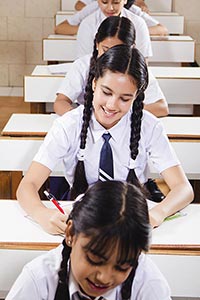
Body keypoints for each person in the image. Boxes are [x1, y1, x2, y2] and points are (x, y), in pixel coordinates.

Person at [16, 45, 193, 235]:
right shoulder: (68, 125)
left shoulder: (149, 127)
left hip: (131, 219)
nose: (111, 105)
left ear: (136, 97)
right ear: (93, 83)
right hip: (82, 216)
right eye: (106, 92)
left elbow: (183, 188)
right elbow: (28, 185)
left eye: (124, 98)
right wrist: (41, 213)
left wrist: (157, 213)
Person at [6, 181, 172, 300]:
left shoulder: (147, 281)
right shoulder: (38, 280)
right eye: (95, 260)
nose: (104, 277)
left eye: (122, 267)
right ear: (70, 233)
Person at [54, 16, 168, 117]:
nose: (110, 56)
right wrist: (83, 118)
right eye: (106, 49)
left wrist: (121, 111)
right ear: (97, 44)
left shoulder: (136, 67)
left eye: (118, 50)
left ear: (131, 48)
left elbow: (161, 107)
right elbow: (60, 102)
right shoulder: (82, 66)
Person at [55, 0, 168, 37]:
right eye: (104, 2)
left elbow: (162, 30)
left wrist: (128, 31)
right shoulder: (92, 8)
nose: (110, 8)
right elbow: (60, 28)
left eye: (116, 2)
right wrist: (91, 30)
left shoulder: (132, 10)